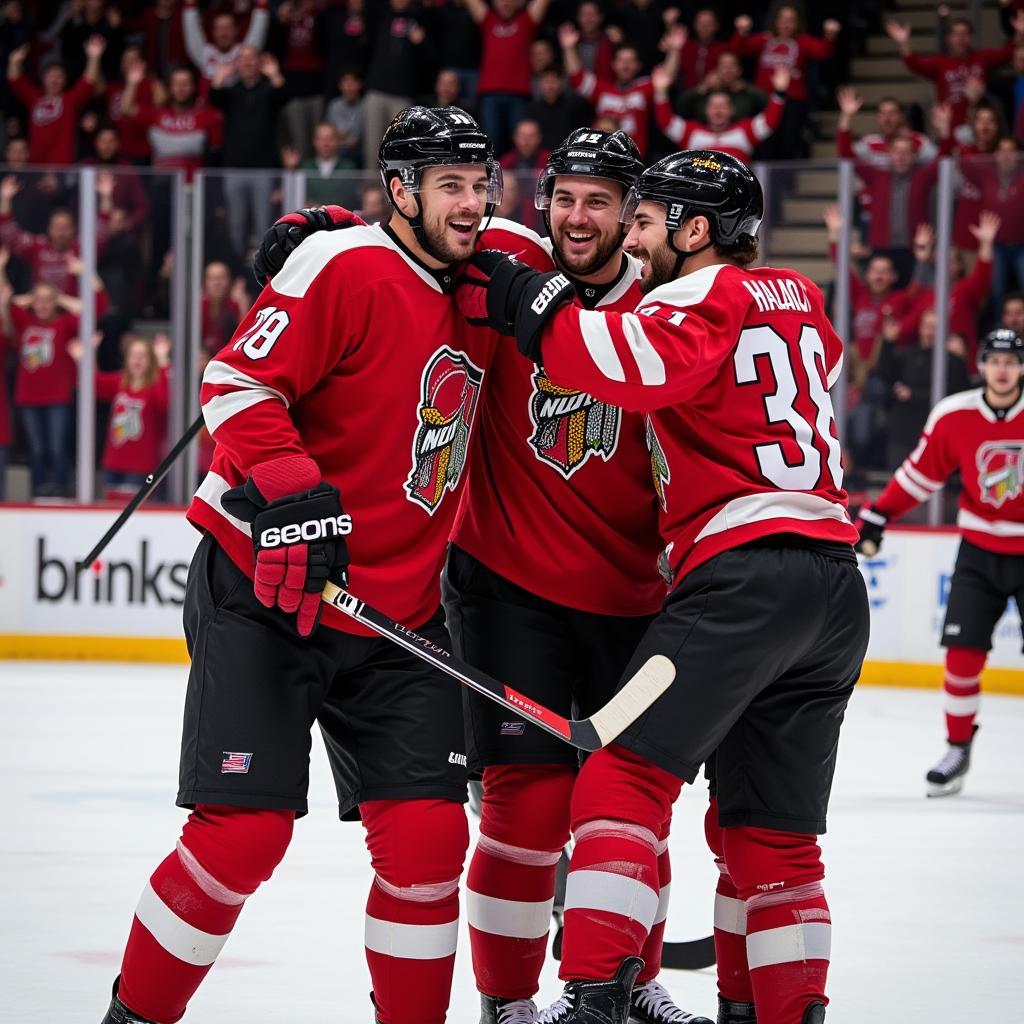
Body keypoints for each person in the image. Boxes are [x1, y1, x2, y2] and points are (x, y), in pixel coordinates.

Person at [97, 105, 504, 1024]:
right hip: (268, 593)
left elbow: (567, 237)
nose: (472, 204)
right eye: (450, 185)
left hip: (396, 616)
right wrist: (293, 487)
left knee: (433, 842)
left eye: (481, 185)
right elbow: (236, 382)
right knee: (241, 837)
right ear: (401, 191)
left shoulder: (486, 273)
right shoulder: (349, 266)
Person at [453, 150, 869, 1024]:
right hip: (832, 585)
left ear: (695, 231)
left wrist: (542, 316)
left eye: (641, 218)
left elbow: (628, 367)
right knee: (775, 840)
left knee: (618, 782)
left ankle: (598, 997)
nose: (631, 239)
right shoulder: (798, 296)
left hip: (737, 578)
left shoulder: (689, 297)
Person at [855, 329, 1024, 796]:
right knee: (962, 655)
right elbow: (921, 473)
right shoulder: (955, 414)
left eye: (1012, 360)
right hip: (978, 551)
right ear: (982, 365)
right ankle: (957, 748)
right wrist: (877, 513)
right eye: (995, 360)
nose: (1003, 369)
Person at [69, 331, 171, 499]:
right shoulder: (121, 382)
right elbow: (93, 383)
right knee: (113, 511)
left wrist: (162, 361)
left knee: (135, 515)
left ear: (150, 360)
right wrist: (85, 357)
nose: (137, 360)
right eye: (133, 355)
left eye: (143, 356)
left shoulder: (155, 386)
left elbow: (165, 403)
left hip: (141, 465)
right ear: (127, 359)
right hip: (114, 462)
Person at [561, 22, 683, 159]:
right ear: (613, 64)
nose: (625, 65)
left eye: (630, 61)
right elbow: (577, 78)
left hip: (633, 160)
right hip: (601, 157)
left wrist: (675, 50)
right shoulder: (601, 89)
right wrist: (569, 48)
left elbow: (665, 77)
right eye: (621, 60)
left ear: (638, 66)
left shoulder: (642, 88)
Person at [887, 13, 1024, 134]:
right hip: (949, 127)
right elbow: (915, 64)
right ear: (949, 38)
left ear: (971, 37)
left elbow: (1008, 53)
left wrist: (1020, 32)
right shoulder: (940, 63)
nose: (960, 39)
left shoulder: (982, 57)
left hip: (980, 126)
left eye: (965, 34)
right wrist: (904, 43)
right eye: (956, 34)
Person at [465, 0, 554, 156]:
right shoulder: (488, 19)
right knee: (490, 144)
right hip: (489, 92)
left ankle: (520, 179)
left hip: (519, 93)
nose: (505, 3)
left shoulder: (526, 19)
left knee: (522, 144)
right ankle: (490, 179)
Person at [653, 64, 788, 164]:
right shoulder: (690, 131)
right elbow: (666, 122)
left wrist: (780, 92)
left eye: (723, 106)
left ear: (732, 110)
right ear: (706, 110)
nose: (718, 109)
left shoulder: (745, 130)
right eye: (713, 106)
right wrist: (660, 92)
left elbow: (770, 121)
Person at [6, 37, 105, 165]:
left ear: (64, 81)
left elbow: (88, 81)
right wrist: (14, 61)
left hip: (61, 167)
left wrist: (94, 57)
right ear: (43, 79)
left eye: (59, 76)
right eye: (50, 75)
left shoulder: (70, 100)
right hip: (35, 166)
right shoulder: (34, 98)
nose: (54, 79)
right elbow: (15, 81)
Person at [182, 0, 270, 85]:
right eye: (219, 28)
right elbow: (192, 30)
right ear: (213, 31)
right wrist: (190, 4)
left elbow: (258, 31)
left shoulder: (244, 53)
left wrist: (262, 5)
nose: (223, 33)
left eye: (228, 28)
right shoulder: (204, 54)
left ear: (236, 30)